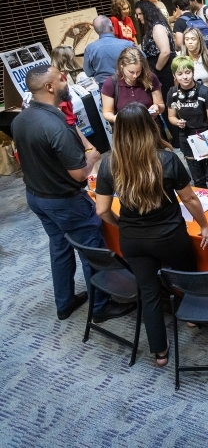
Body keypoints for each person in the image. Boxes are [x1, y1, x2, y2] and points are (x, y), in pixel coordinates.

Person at [95, 102, 208, 368]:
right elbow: (191, 200)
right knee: (187, 276)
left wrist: (121, 224)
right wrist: (205, 226)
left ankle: (159, 352)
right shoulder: (167, 159)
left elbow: (102, 210)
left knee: (148, 293)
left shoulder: (109, 164)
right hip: (171, 236)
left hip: (133, 240)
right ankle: (194, 317)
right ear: (150, 128)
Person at [12, 65, 133, 322]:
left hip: (36, 197)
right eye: (61, 78)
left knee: (59, 248)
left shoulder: (20, 118)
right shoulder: (55, 126)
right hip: (64, 201)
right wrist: (92, 157)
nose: (66, 81)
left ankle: (64, 303)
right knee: (92, 251)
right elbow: (79, 174)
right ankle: (100, 306)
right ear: (49, 87)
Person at [165, 56, 208, 190]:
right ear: (174, 75)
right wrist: (177, 122)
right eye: (180, 74)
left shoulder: (205, 92)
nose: (184, 77)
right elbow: (171, 116)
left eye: (187, 72)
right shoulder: (172, 93)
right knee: (198, 178)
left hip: (206, 137)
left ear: (193, 72)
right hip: (186, 139)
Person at [134, 0, 176, 137]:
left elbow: (165, 52)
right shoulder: (153, 27)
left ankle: (176, 137)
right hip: (159, 69)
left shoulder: (157, 28)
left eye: (140, 14)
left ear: (147, 12)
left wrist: (155, 71)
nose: (138, 17)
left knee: (167, 103)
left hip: (163, 71)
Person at [100, 47, 165, 124]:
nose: (135, 76)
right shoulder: (111, 83)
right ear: (122, 65)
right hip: (126, 129)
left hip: (150, 125)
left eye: (138, 71)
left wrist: (157, 108)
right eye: (131, 72)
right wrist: (114, 118)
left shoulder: (150, 78)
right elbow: (107, 112)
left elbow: (161, 105)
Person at [82, 16, 135, 88]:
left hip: (105, 87)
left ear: (96, 31)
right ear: (111, 27)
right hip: (128, 85)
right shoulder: (128, 44)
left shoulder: (90, 49)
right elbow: (142, 60)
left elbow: (88, 72)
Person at [179, 27, 208, 95]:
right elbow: (176, 82)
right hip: (187, 96)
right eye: (187, 39)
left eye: (193, 39)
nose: (190, 42)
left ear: (199, 40)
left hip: (207, 94)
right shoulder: (179, 58)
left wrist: (206, 90)